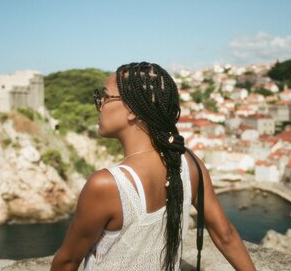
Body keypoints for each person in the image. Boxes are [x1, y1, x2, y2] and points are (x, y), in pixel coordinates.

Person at [51, 62, 255, 271]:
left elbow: (67, 261)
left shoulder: (106, 185)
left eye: (104, 97)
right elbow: (226, 236)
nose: (99, 104)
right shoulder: (191, 165)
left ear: (131, 110)